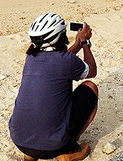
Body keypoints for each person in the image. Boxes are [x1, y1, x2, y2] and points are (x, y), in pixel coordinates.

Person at [9, 12, 98, 161]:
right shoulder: (66, 61)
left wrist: (76, 44)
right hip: (53, 147)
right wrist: (84, 43)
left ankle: (31, 154)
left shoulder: (31, 58)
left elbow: (60, 61)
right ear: (60, 36)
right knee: (91, 87)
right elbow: (92, 70)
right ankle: (68, 151)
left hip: (20, 141)